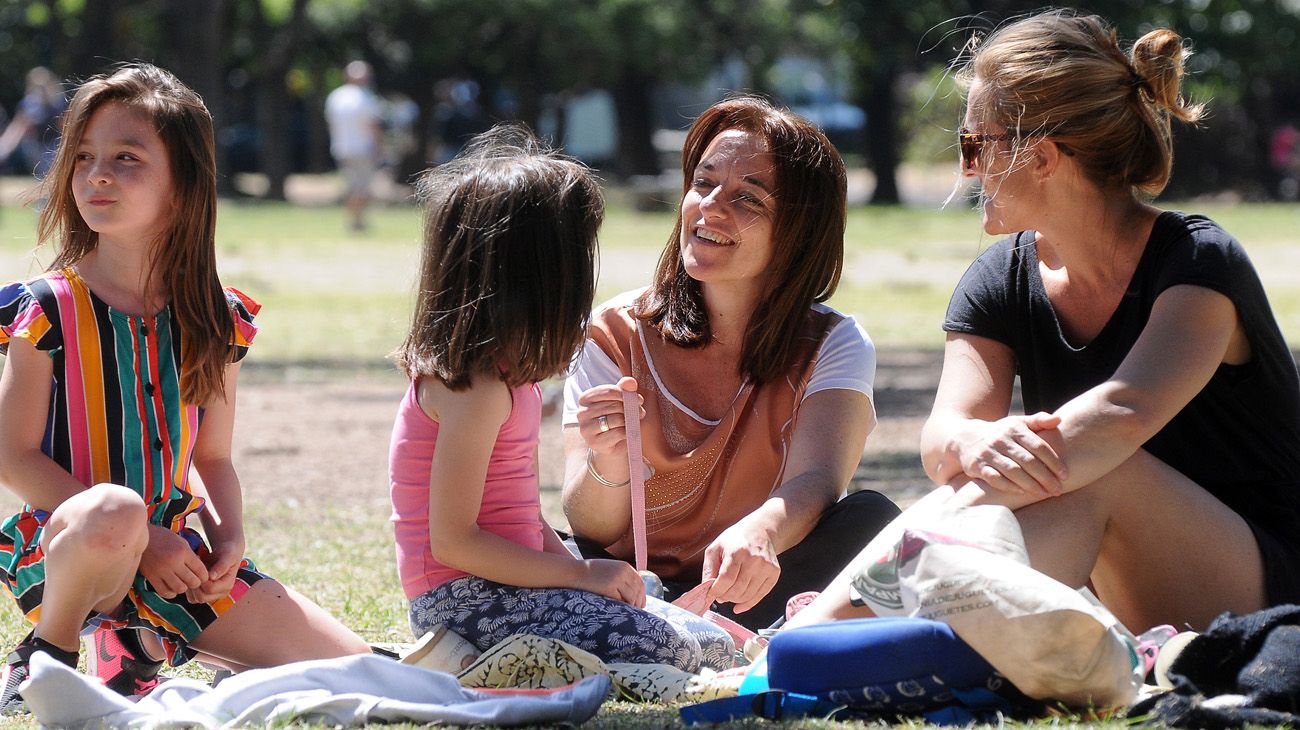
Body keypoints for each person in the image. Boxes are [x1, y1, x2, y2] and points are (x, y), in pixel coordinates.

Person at [792, 10, 1300, 635]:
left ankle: (826, 637)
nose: (967, 169)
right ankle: (831, 639)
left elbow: (1115, 423)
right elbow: (942, 441)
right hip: (1108, 569)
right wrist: (969, 442)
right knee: (1023, 473)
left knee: (1087, 471)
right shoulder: (999, 279)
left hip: (1265, 593)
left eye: (975, 144)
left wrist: (839, 606)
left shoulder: (1196, 264)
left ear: (1044, 156)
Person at [0, 63, 370, 711]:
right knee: (114, 513)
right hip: (75, 543)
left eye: (127, 157)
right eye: (83, 156)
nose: (98, 174)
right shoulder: (49, 308)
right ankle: (48, 653)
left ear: (182, 185)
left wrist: (229, 537)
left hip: (178, 556)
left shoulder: (215, 317)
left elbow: (213, 457)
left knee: (360, 671)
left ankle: (136, 648)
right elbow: (13, 456)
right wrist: (142, 538)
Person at [388, 125, 733, 673]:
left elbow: (517, 518)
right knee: (668, 647)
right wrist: (579, 576)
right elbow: (455, 542)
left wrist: (585, 574)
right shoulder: (472, 391)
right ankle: (461, 659)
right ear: (541, 277)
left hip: (514, 589)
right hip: (464, 604)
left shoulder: (510, 380)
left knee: (710, 642)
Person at [561, 96, 902, 633]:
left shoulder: (835, 342)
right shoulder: (613, 332)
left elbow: (817, 479)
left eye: (748, 199)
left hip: (756, 588)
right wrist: (606, 463)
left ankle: (708, 635)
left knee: (873, 523)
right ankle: (697, 635)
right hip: (629, 591)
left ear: (799, 233)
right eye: (703, 183)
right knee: (535, 551)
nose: (710, 207)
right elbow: (590, 526)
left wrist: (763, 531)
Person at [324, 60, 384, 232]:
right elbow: (374, 126)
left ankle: (355, 219)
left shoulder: (336, 96)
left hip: (341, 148)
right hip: (363, 148)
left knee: (352, 185)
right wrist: (379, 147)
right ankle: (357, 220)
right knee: (361, 186)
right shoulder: (366, 97)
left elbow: (331, 124)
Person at [0, 67, 66, 178]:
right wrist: (5, 147)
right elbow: (18, 126)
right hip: (35, 145)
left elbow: (63, 126)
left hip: (53, 144)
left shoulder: (57, 103)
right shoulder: (29, 104)